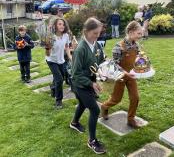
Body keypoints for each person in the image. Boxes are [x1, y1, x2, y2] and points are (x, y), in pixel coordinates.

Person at [70, 17, 106, 154]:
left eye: (99, 33)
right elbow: (75, 74)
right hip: (79, 84)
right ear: (86, 31)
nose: (97, 36)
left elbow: (101, 60)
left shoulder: (96, 44)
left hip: (89, 83)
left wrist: (107, 67)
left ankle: (74, 123)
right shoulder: (80, 50)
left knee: (83, 104)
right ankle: (92, 141)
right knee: (95, 110)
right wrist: (91, 83)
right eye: (94, 33)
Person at [101, 21, 143, 128]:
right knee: (116, 99)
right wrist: (125, 73)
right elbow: (114, 65)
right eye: (138, 33)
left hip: (131, 75)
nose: (140, 36)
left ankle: (131, 119)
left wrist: (143, 65)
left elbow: (137, 59)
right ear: (130, 32)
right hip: (119, 76)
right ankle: (104, 106)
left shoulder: (136, 45)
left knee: (135, 97)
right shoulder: (119, 46)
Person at [45, 17, 72, 109]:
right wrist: (47, 48)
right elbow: (47, 53)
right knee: (60, 79)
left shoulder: (66, 36)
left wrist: (70, 57)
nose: (62, 26)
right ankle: (58, 101)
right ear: (55, 26)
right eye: (60, 24)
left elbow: (67, 46)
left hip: (61, 60)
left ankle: (53, 88)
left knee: (60, 77)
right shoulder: (51, 37)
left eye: (63, 24)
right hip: (51, 60)